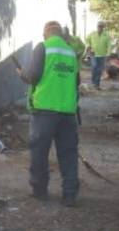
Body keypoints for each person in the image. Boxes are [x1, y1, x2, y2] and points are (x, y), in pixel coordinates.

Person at [15, 21, 80, 206]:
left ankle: (40, 190)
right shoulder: (71, 52)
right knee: (68, 154)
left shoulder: (43, 48)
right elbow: (75, 83)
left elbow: (33, 76)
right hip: (67, 112)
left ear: (46, 34)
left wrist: (21, 73)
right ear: (61, 34)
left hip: (44, 111)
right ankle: (69, 195)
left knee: (39, 152)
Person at [85, 21, 113, 89]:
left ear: (103, 27)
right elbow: (87, 40)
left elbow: (109, 45)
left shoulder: (107, 35)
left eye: (101, 26)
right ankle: (93, 81)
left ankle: (96, 84)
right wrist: (88, 46)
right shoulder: (92, 33)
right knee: (94, 67)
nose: (100, 27)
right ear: (97, 26)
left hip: (102, 55)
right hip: (93, 54)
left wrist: (108, 54)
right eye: (99, 26)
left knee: (99, 70)